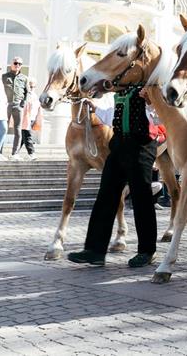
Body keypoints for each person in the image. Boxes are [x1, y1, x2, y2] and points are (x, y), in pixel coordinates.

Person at [67, 84, 158, 268]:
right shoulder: (121, 92)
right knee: (105, 195)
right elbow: (113, 116)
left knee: (142, 199)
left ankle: (146, 251)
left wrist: (150, 101)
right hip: (118, 145)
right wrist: (95, 109)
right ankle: (95, 251)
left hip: (141, 146)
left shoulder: (149, 87)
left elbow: (158, 118)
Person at [2, 57, 29, 160]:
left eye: (20, 64)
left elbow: (27, 92)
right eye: (15, 63)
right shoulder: (4, 77)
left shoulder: (24, 78)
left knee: (18, 130)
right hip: (6, 105)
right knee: (3, 129)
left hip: (18, 106)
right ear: (11, 64)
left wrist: (23, 103)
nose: (17, 65)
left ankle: (15, 153)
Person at [13, 78, 41, 160]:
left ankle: (15, 153)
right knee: (28, 135)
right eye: (30, 85)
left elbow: (37, 108)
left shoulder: (34, 95)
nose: (32, 87)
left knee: (23, 137)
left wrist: (36, 119)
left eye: (33, 86)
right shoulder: (24, 95)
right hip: (25, 118)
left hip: (32, 118)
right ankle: (31, 153)